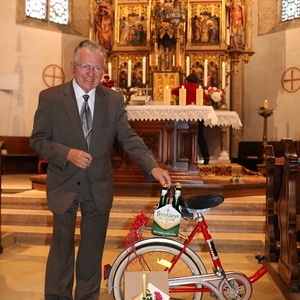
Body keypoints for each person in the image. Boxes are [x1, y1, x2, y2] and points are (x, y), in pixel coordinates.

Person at [30, 39, 171, 300]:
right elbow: (38, 140)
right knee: (61, 248)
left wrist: (152, 167)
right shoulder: (50, 98)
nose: (91, 74)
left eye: (97, 69)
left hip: (98, 185)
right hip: (64, 184)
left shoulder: (114, 100)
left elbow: (128, 138)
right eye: (86, 67)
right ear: (73, 66)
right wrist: (67, 153)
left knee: (92, 249)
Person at [171, 74, 210, 164]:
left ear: (187, 80)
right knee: (200, 134)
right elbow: (206, 98)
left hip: (186, 112)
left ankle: (184, 156)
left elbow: (173, 91)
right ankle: (206, 157)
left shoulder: (185, 86)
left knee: (185, 133)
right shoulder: (199, 87)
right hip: (199, 112)